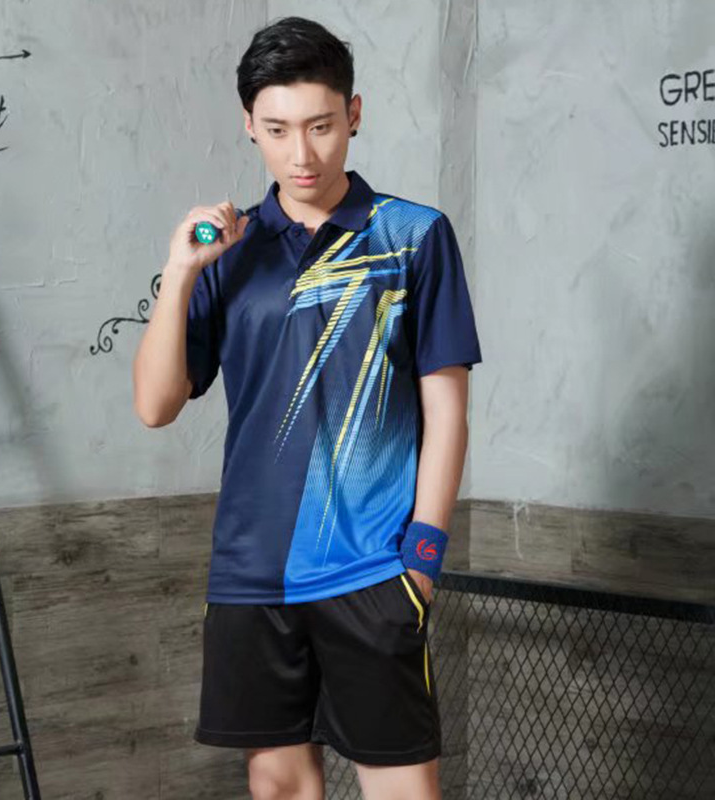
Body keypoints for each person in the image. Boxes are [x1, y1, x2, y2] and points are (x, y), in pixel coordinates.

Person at [132, 15, 482, 800]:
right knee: (281, 788)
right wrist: (181, 272)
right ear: (248, 126)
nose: (302, 154)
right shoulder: (230, 251)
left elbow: (448, 412)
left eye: (321, 126)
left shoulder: (414, 237)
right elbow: (155, 406)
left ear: (353, 115)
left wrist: (422, 562)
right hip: (251, 575)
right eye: (278, 129)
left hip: (372, 569)